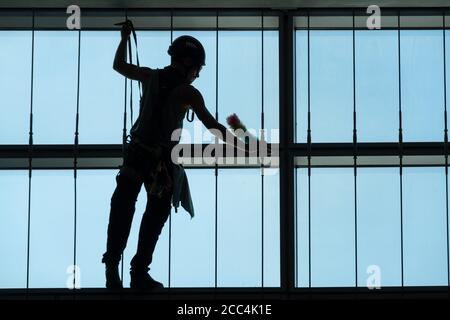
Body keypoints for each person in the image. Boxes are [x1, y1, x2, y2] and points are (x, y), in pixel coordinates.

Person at [102, 22, 251, 290]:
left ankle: (112, 267)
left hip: (136, 154)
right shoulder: (188, 93)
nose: (196, 75)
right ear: (188, 63)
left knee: (123, 207)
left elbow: (119, 66)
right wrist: (244, 141)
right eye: (197, 70)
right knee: (156, 213)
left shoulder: (150, 77)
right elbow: (213, 126)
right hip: (160, 162)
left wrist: (124, 38)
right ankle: (138, 272)